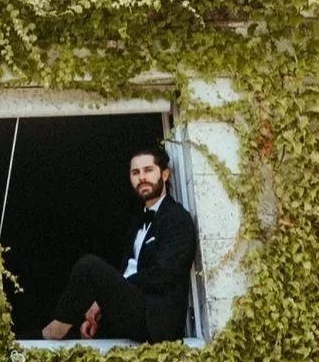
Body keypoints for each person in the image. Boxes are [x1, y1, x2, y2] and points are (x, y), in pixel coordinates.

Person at [38, 142, 199, 344]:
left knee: (89, 267)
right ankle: (47, 336)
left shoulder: (177, 218)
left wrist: (110, 295)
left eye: (148, 170)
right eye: (135, 172)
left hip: (157, 322)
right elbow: (127, 272)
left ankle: (54, 330)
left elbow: (162, 275)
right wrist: (101, 303)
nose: (142, 178)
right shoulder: (137, 222)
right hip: (135, 313)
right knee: (83, 327)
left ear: (165, 175)